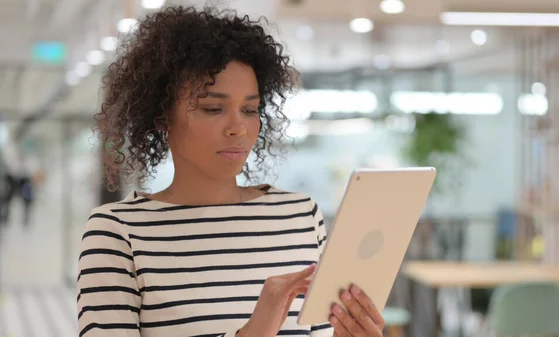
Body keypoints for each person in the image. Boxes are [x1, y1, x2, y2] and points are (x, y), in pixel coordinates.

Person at [77, 6, 386, 337]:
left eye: (250, 109)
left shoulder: (299, 216)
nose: (238, 128)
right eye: (213, 108)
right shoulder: (118, 233)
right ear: (161, 117)